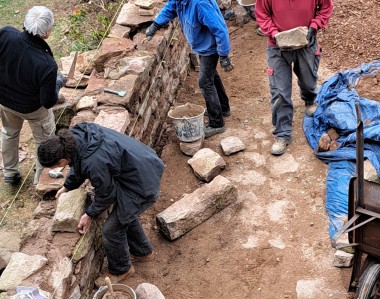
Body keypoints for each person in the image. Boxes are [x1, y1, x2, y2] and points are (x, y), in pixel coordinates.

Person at [37, 125, 164, 284]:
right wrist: (67, 186)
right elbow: (79, 164)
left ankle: (122, 269)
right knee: (125, 214)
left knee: (111, 230)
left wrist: (89, 214)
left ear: (62, 160)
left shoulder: (95, 161)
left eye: (54, 166)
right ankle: (143, 252)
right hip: (140, 166)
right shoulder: (76, 136)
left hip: (142, 184)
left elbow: (106, 193)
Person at [0, 6, 66, 185]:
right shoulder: (47, 64)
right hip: (33, 109)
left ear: (26, 22)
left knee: (9, 133)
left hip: (5, 101)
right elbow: (48, 101)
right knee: (44, 142)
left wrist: (5, 82)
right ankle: (40, 181)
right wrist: (58, 82)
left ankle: (10, 173)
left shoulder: (5, 34)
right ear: (46, 33)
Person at [255, 0, 333, 155]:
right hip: (277, 46)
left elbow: (326, 7)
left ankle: (309, 98)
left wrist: (314, 26)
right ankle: (282, 133)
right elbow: (261, 13)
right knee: (280, 91)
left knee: (308, 80)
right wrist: (274, 33)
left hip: (305, 42)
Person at [146, 0, 233, 138]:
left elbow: (220, 29)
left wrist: (224, 55)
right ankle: (223, 108)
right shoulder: (180, 0)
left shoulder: (200, 4)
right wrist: (156, 24)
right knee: (211, 76)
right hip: (202, 44)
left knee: (205, 82)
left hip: (210, 47)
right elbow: (170, 7)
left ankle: (217, 123)